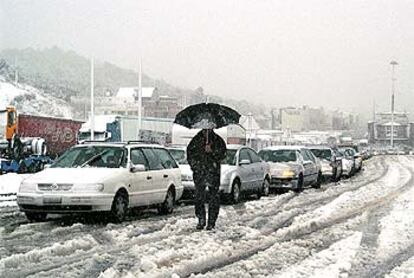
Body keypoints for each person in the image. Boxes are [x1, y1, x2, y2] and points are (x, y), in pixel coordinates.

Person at [187, 129, 227, 230]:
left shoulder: (218, 140)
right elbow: (189, 154)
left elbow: (223, 155)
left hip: (213, 173)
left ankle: (211, 222)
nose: (206, 131)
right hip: (200, 173)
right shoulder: (196, 140)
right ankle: (201, 219)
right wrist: (195, 167)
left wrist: (212, 151)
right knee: (199, 197)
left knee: (213, 197)